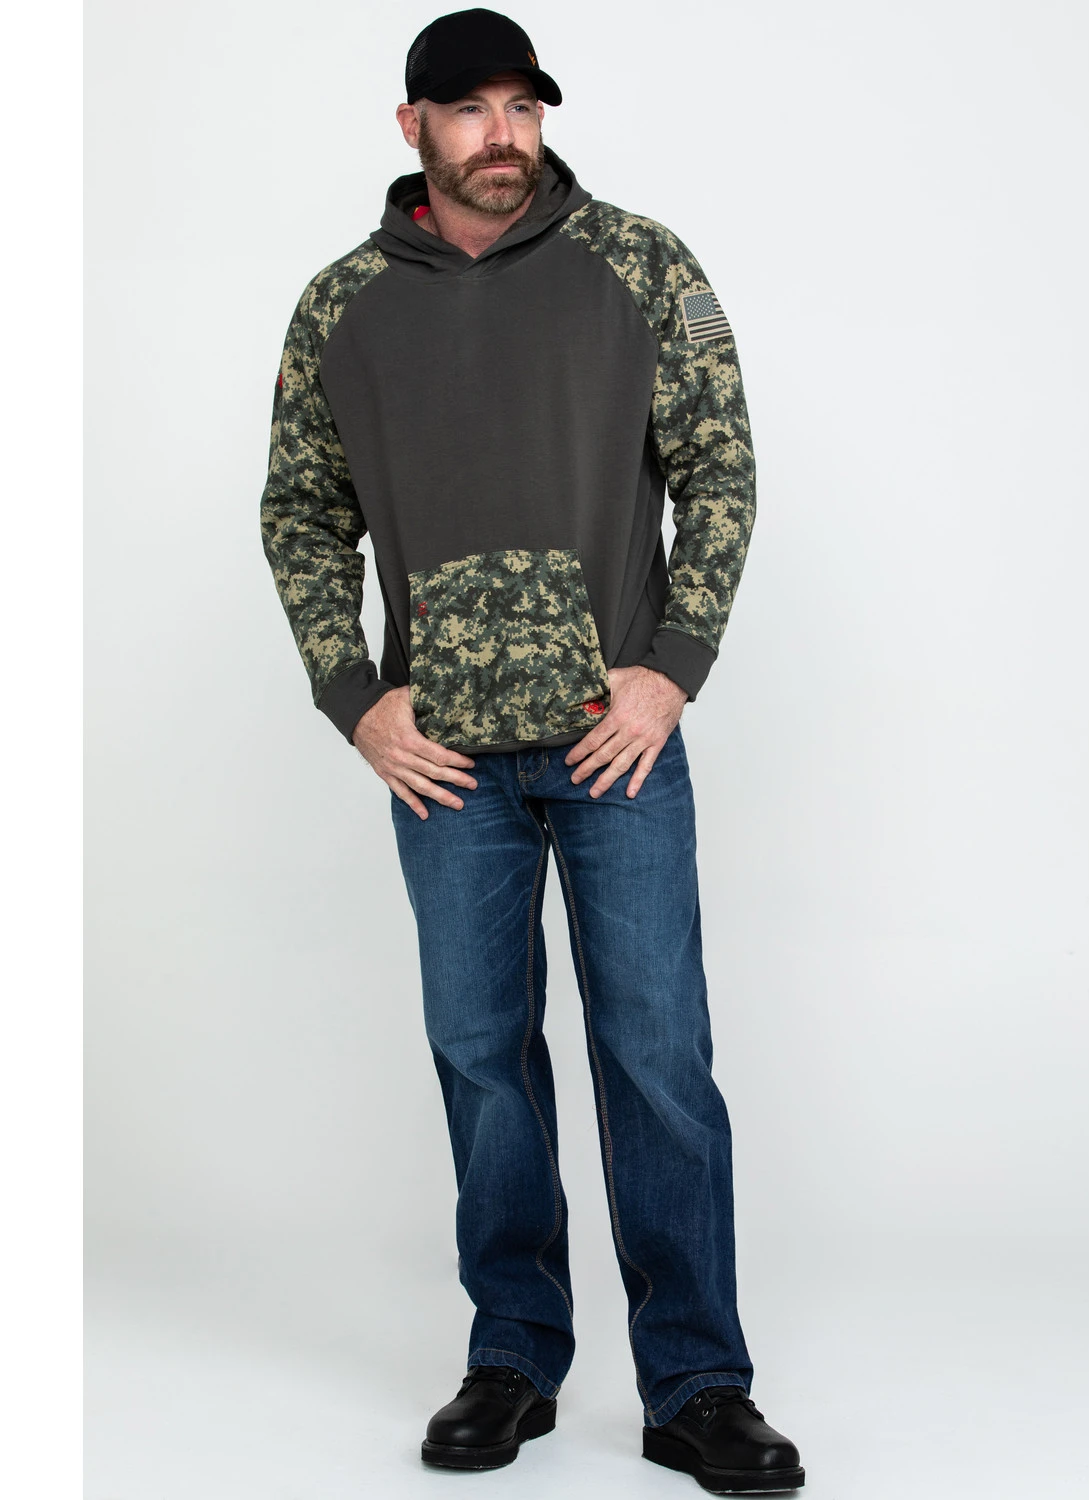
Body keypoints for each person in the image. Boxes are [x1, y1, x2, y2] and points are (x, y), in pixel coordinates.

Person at [260, 8, 803, 1492]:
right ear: (412, 127)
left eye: (522, 106)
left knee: (659, 1055)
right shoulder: (343, 304)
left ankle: (698, 1383)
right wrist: (354, 695)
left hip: (613, 746)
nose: (502, 135)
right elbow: (301, 509)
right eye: (470, 110)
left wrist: (672, 672)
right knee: (479, 1056)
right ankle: (513, 1356)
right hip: (444, 760)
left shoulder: (639, 263)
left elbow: (721, 465)